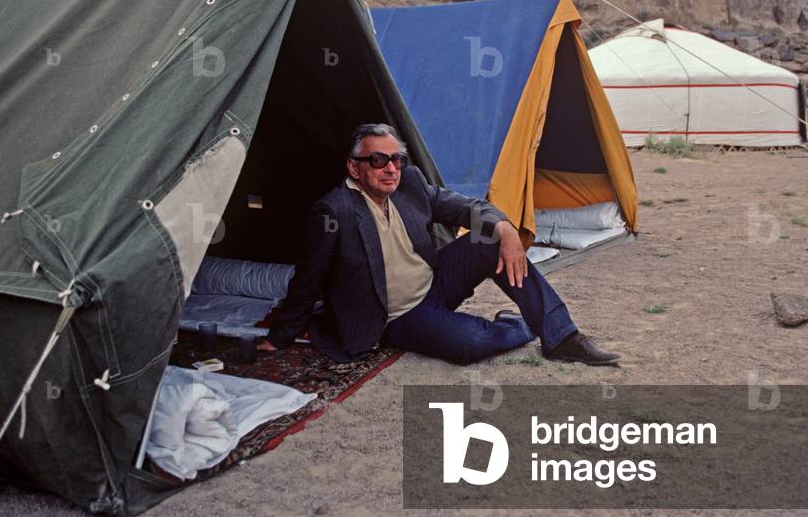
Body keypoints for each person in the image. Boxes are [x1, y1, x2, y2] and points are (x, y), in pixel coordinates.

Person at [258, 123, 621, 366]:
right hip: (395, 315)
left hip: (435, 284)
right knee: (469, 346)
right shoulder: (332, 211)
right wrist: (281, 335)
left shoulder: (410, 184)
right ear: (355, 168)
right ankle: (519, 327)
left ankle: (561, 337)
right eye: (378, 160)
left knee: (490, 238)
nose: (390, 169)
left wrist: (507, 230)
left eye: (396, 159)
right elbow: (308, 279)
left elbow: (466, 207)